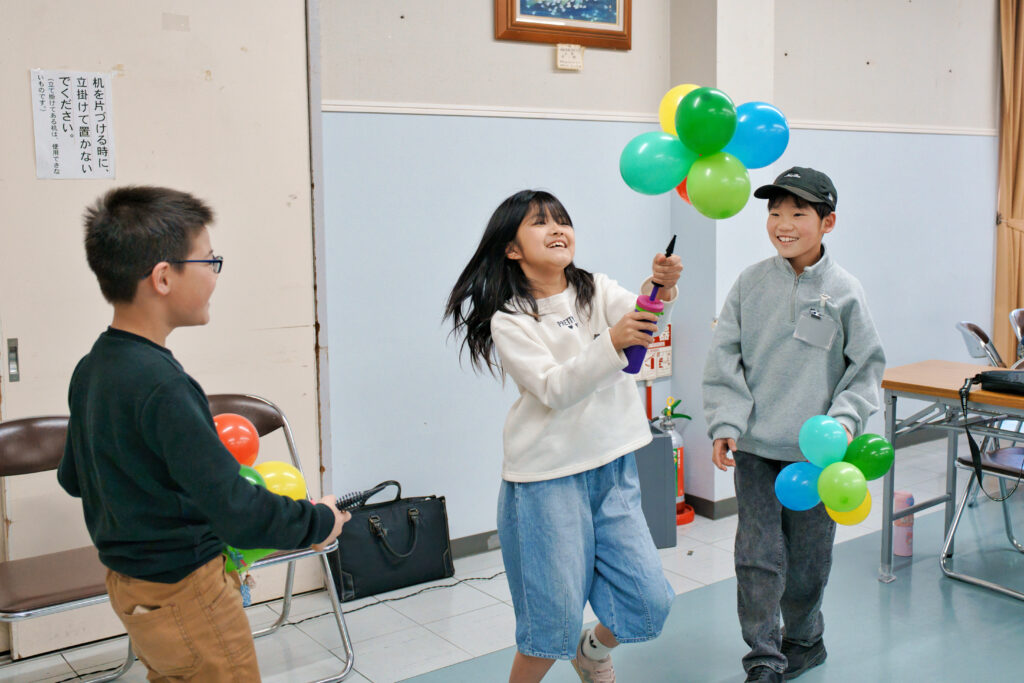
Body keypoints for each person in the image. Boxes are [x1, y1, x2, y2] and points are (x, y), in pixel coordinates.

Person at [57, 186, 350, 682]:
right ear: (164, 277)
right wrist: (317, 522)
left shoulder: (94, 367)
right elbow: (237, 510)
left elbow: (74, 478)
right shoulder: (163, 386)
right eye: (208, 261)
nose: (215, 276)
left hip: (133, 590)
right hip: (187, 593)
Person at [444, 189, 681, 683]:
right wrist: (612, 342)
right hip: (546, 480)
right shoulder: (510, 318)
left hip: (612, 467)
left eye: (562, 221)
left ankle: (591, 651)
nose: (557, 229)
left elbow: (642, 313)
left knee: (648, 601)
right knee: (549, 628)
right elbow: (554, 388)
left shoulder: (593, 287)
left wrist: (660, 290)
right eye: (540, 223)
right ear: (511, 249)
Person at [702, 167, 886, 682]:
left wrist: (844, 423)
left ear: (828, 222)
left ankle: (804, 638)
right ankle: (763, 657)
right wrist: (725, 422)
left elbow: (866, 367)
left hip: (819, 457)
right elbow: (725, 359)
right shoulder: (749, 282)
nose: (783, 223)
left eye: (798, 213)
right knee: (757, 556)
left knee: (807, 561)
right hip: (758, 449)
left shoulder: (846, 291)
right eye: (774, 212)